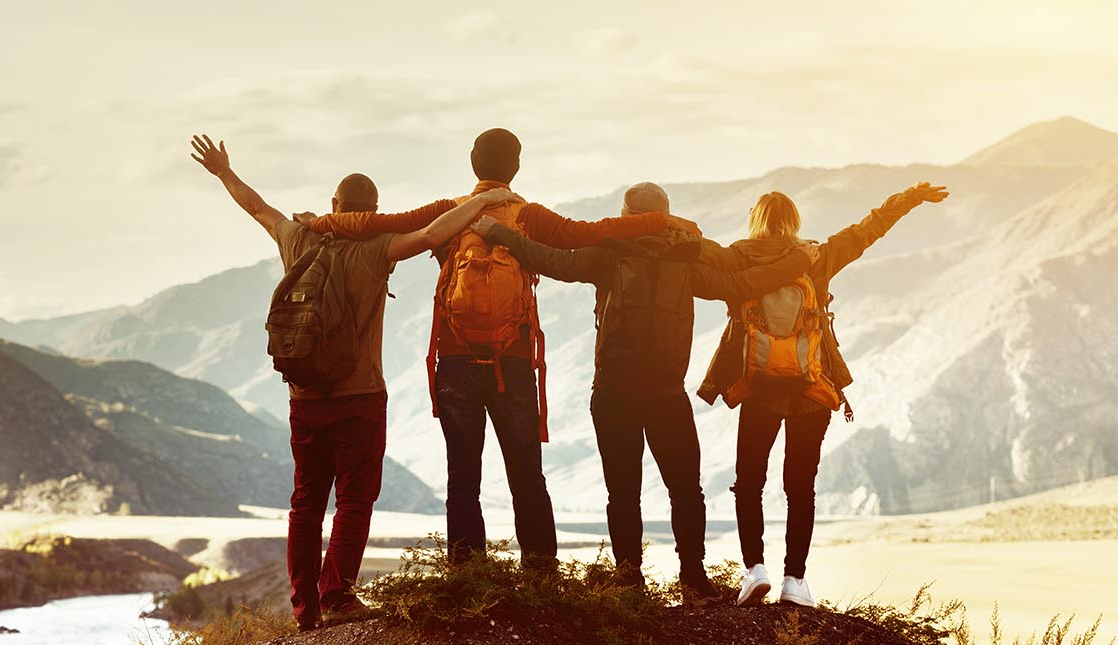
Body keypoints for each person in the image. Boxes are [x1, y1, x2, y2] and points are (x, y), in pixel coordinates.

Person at [307, 129, 693, 567]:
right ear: (517, 167)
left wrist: (322, 222)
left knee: (463, 477)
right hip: (512, 360)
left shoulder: (448, 214)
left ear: (473, 162)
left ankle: (467, 573)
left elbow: (380, 223)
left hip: (455, 359)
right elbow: (595, 231)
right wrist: (661, 221)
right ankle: (541, 571)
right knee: (527, 473)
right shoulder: (530, 216)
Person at [191, 133, 518, 629]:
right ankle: (338, 594)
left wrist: (223, 172)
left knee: (305, 502)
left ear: (334, 205)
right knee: (354, 498)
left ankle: (305, 608)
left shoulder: (298, 239)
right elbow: (431, 235)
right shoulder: (377, 249)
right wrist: (482, 202)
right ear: (374, 211)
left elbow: (257, 208)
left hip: (305, 397)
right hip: (360, 395)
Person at [474, 181, 819, 601]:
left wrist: (499, 233)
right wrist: (799, 259)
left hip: (614, 391)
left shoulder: (608, 253)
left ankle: (629, 580)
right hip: (666, 393)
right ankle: (693, 578)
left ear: (625, 215)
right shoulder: (685, 257)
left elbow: (550, 260)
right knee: (686, 490)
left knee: (622, 493)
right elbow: (743, 284)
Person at [698, 182, 950, 608]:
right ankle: (794, 580)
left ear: (755, 222)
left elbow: (695, 253)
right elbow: (868, 230)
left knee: (749, 483)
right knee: (800, 487)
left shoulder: (737, 258)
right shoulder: (817, 257)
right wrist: (906, 197)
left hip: (758, 389)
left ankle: (754, 569)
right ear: (794, 223)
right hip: (812, 390)